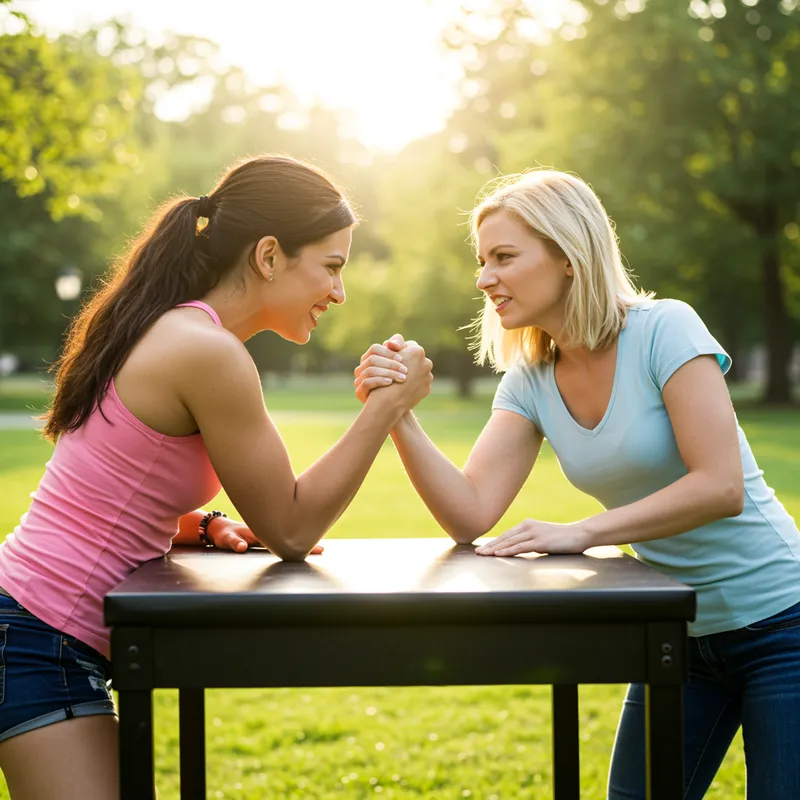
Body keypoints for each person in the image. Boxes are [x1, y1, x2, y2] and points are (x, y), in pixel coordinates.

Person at [354, 169, 800, 799]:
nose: (484, 279)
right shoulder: (531, 377)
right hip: (677, 638)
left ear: (567, 256)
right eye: (482, 261)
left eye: (504, 257)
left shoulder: (664, 329)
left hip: (782, 626)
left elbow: (720, 485)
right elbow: (470, 512)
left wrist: (583, 532)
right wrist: (395, 411)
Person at [0, 154, 433, 799]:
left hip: (35, 627)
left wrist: (201, 525)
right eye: (332, 266)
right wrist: (387, 408)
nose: (340, 293)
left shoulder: (170, 326)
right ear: (267, 256)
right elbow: (290, 528)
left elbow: (114, 482)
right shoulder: (207, 352)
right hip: (38, 641)